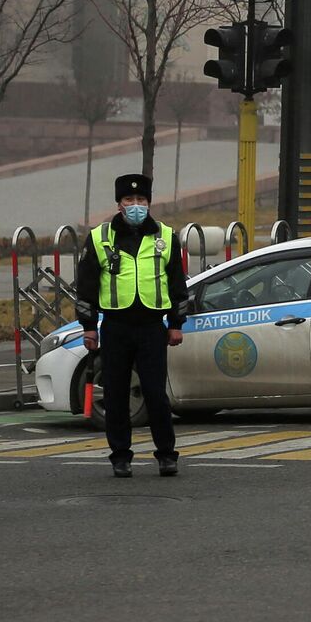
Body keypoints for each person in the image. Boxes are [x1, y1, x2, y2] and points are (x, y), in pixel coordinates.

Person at [75, 173, 188, 478]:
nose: (135, 205)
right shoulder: (101, 237)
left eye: (141, 200)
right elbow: (85, 286)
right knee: (115, 393)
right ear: (119, 204)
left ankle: (166, 455)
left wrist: (176, 323)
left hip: (153, 326)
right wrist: (89, 327)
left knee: (155, 394)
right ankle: (120, 456)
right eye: (129, 200)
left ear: (149, 203)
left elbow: (178, 284)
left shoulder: (165, 236)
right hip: (115, 326)